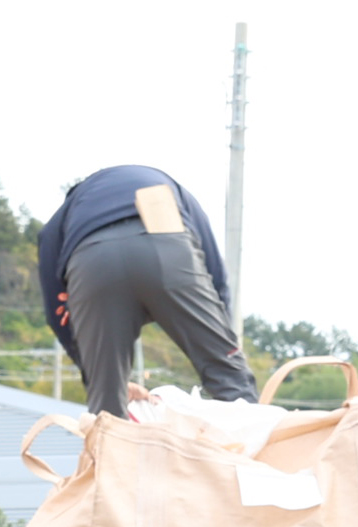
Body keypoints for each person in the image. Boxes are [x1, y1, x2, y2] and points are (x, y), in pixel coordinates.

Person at [34, 165, 252, 420]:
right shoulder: (174, 188)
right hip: (168, 243)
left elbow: (54, 309)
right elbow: (216, 276)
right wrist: (222, 346)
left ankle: (112, 450)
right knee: (231, 383)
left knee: (107, 412)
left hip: (92, 261)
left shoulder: (68, 211)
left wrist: (95, 372)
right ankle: (253, 452)